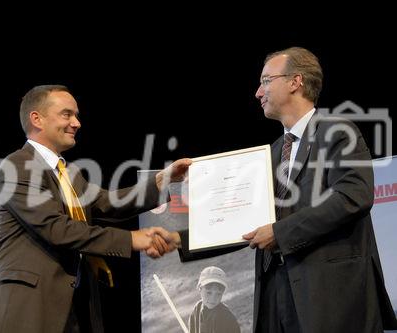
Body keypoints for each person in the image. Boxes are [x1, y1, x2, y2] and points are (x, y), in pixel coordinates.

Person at [153, 47, 397, 332]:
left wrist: (279, 233)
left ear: (296, 82)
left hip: (330, 298)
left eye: (266, 80)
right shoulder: (273, 152)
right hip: (276, 298)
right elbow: (244, 221)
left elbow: (352, 196)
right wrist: (179, 238)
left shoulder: (337, 131)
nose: (258, 92)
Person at [0, 84, 191, 333]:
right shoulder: (18, 166)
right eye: (67, 114)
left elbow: (108, 204)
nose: (76, 123)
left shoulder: (69, 174)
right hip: (25, 311)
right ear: (37, 119)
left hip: (70, 311)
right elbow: (57, 229)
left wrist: (162, 181)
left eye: (76, 115)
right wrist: (132, 239)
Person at [189, 266, 240, 333]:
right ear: (200, 288)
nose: (213, 299)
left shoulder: (226, 318)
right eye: (209, 293)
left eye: (218, 294)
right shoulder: (197, 309)